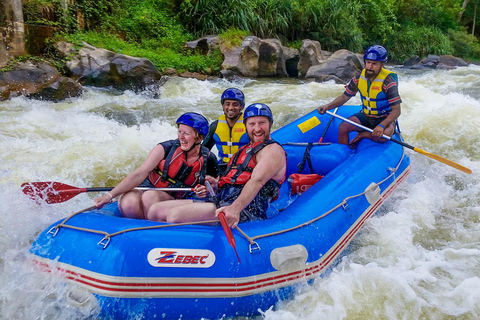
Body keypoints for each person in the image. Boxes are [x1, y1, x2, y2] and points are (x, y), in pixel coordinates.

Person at [147, 103, 287, 228]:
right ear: (245, 126)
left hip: (247, 209)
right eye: (252, 124)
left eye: (261, 123)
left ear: (270, 124)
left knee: (174, 216)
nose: (257, 128)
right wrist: (215, 184)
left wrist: (235, 209)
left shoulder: (272, 150)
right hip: (222, 200)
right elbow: (233, 179)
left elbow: (258, 181)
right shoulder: (246, 149)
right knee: (155, 211)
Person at [93, 112, 219, 219]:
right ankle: (138, 233)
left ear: (199, 137)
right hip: (147, 187)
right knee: (128, 203)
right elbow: (139, 174)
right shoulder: (165, 148)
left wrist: (206, 189)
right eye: (179, 131)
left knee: (150, 196)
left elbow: (214, 187)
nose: (181, 137)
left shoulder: (208, 159)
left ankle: (153, 231)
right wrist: (108, 196)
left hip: (174, 198)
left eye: (186, 133)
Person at [317, 45, 402, 147]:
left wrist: (381, 125)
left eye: (374, 64)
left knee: (383, 136)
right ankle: (345, 154)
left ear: (382, 64)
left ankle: (364, 135)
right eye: (368, 62)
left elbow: (396, 111)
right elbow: (345, 97)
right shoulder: (358, 77)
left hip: (384, 118)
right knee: (343, 127)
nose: (370, 66)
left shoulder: (389, 82)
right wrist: (327, 106)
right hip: (366, 116)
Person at [203, 88, 250, 174]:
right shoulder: (215, 126)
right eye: (227, 104)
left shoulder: (249, 125)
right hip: (222, 167)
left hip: (245, 167)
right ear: (223, 106)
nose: (231, 108)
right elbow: (203, 150)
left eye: (235, 104)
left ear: (241, 107)